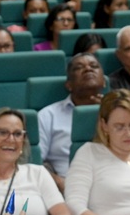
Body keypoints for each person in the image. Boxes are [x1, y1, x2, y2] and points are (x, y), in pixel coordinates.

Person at [39, 53, 106, 193]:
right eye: (79, 68)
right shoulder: (48, 115)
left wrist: (106, 112)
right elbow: (35, 162)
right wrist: (58, 183)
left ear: (104, 82)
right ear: (69, 85)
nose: (88, 69)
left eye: (94, 66)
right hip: (66, 186)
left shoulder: (118, 114)